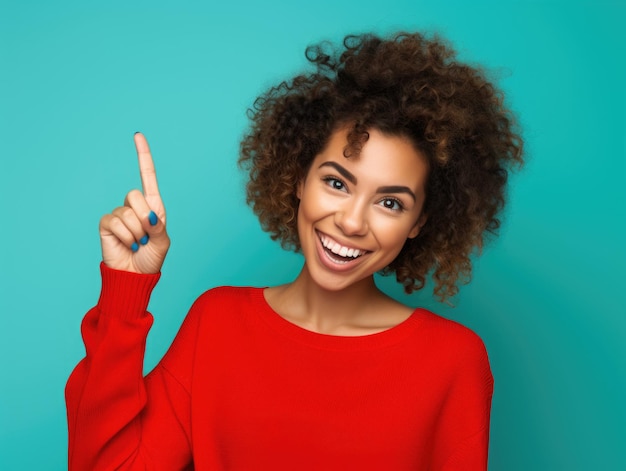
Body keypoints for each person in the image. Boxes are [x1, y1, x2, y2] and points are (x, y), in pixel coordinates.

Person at [66, 32, 523, 470]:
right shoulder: (217, 323)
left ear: (419, 221)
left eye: (390, 202)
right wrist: (126, 287)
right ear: (299, 179)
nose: (351, 221)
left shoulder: (452, 361)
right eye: (337, 182)